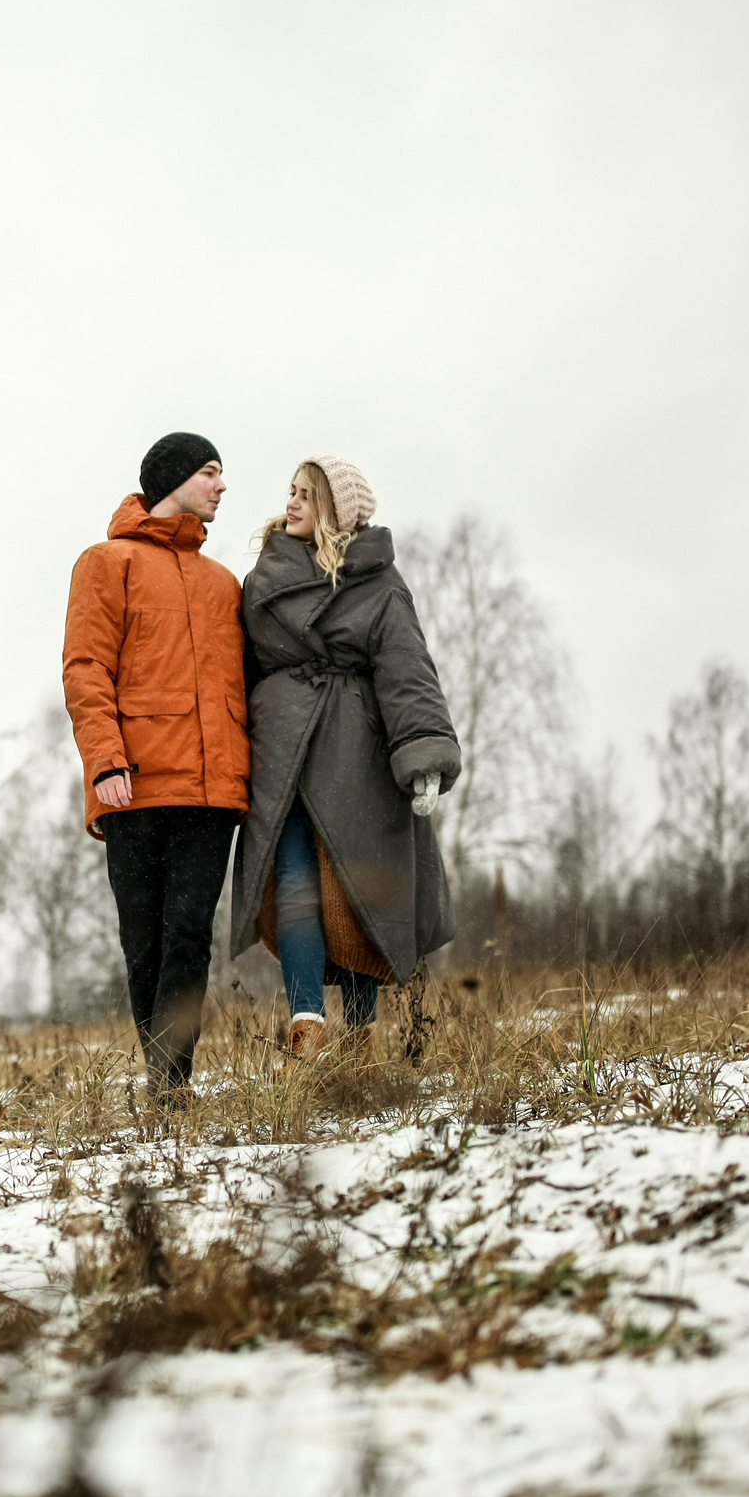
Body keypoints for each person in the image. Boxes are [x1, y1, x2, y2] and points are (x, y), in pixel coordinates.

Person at [229, 457, 459, 1068]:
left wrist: (423, 757)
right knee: (295, 878)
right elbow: (237, 673)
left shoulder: (380, 583)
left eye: (309, 495)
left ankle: (358, 1039)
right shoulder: (262, 579)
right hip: (283, 753)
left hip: (356, 749)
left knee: (358, 889)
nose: (294, 502)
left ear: (336, 511)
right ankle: (307, 1022)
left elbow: (407, 670)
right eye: (292, 491)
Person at [62, 432, 251, 1103]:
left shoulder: (225, 583)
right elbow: (86, 670)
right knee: (142, 940)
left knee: (190, 936)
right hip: (132, 785)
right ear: (172, 479)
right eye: (209, 473)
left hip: (211, 790)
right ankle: (161, 1075)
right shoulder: (104, 564)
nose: (221, 486)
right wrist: (104, 762)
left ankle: (170, 1081)